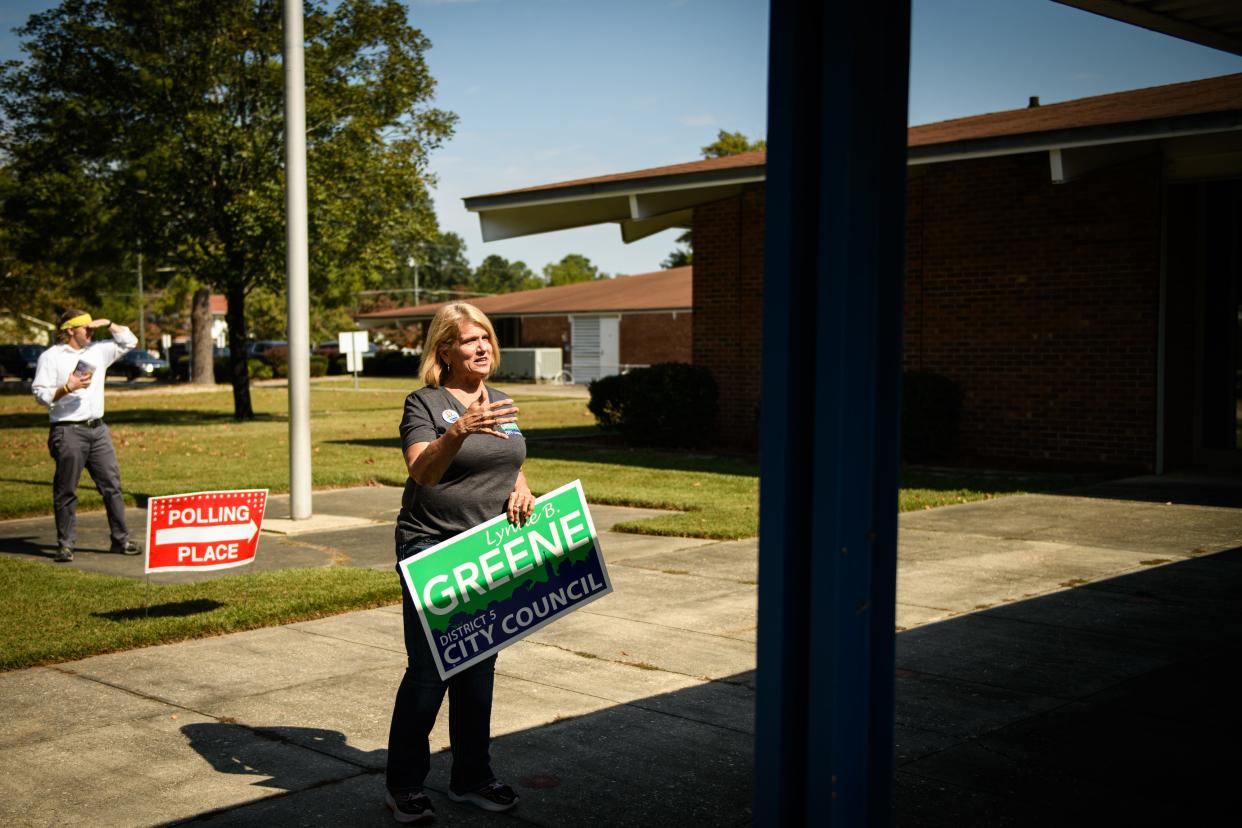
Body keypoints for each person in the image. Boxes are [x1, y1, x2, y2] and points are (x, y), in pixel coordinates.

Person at [385, 303, 535, 824]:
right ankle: (404, 783)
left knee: (478, 669)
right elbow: (423, 473)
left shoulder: (501, 402)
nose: (482, 348)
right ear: (444, 349)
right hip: (431, 546)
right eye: (470, 340)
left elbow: (508, 458)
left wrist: (521, 485)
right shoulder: (424, 402)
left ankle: (471, 777)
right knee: (429, 672)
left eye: (487, 339)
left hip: (488, 549)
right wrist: (459, 430)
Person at [31, 309, 140, 562]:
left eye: (92, 328)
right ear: (70, 330)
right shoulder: (51, 357)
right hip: (68, 430)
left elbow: (130, 341)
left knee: (112, 487)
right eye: (86, 328)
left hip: (98, 430)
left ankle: (120, 540)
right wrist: (67, 388)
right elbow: (39, 395)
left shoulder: (98, 351)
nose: (91, 331)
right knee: (66, 489)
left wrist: (110, 322)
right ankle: (65, 545)